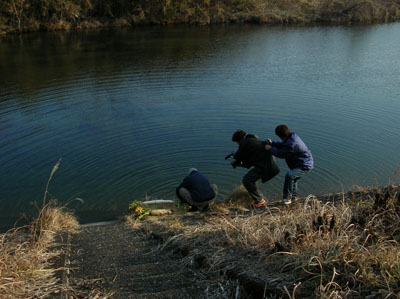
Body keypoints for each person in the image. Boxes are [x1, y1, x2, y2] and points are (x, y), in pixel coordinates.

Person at [265, 124, 314, 205]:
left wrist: (270, 148)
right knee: (293, 179)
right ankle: (293, 198)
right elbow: (283, 145)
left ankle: (287, 198)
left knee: (290, 175)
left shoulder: (292, 143)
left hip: (304, 164)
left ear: (281, 136)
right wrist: (272, 143)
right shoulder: (291, 137)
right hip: (301, 162)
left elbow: (281, 154)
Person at [231, 129, 280, 208]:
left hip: (265, 166)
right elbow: (249, 158)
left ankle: (260, 201)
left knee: (247, 180)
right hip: (267, 164)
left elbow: (239, 155)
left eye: (237, 142)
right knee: (251, 179)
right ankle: (259, 198)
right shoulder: (252, 139)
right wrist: (239, 162)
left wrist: (235, 159)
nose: (238, 144)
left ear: (240, 139)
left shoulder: (245, 142)